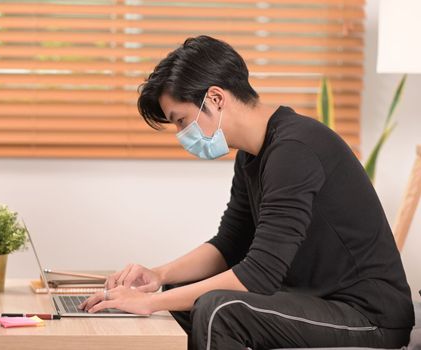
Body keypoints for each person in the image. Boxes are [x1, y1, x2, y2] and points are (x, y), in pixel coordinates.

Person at [79, 35, 414, 349]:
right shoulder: (252, 155)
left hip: (369, 316)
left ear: (215, 98)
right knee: (182, 292)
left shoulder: (295, 149)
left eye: (180, 120)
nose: (181, 134)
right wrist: (158, 275)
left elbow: (259, 274)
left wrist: (149, 303)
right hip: (318, 300)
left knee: (217, 309)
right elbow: (229, 245)